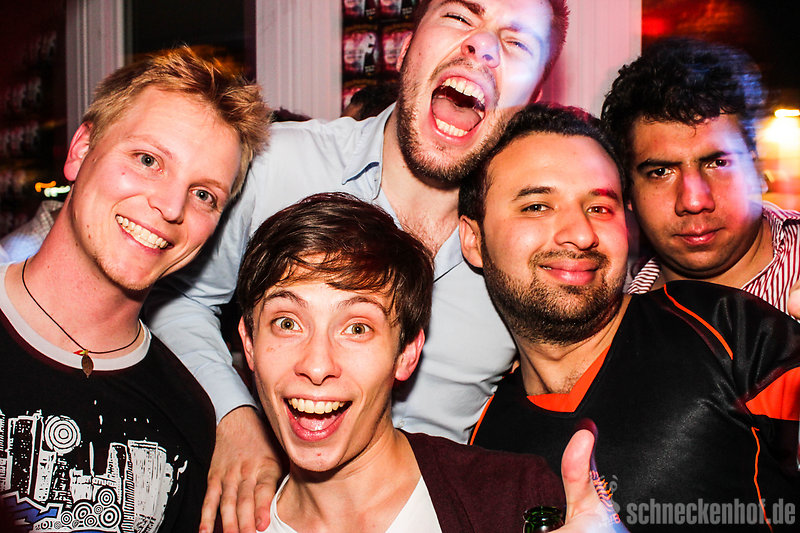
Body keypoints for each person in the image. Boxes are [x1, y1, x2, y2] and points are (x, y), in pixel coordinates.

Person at [143, 2, 570, 531]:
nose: (481, 46)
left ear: (534, 97)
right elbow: (176, 300)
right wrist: (233, 417)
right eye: (460, 17)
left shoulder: (525, 249)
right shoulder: (280, 164)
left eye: (516, 41)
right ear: (408, 45)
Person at [459, 104, 800, 531]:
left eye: (600, 208)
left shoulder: (726, 331)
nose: (580, 234)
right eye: (537, 206)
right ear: (473, 239)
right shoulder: (485, 443)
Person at [236, 192, 622, 533]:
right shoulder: (221, 519)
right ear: (249, 344)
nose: (317, 366)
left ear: (406, 354)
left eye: (357, 328)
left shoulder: (514, 500)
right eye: (287, 323)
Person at [0, 47, 270, 532]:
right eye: (148, 160)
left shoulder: (190, 415)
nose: (171, 207)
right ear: (81, 151)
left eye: (204, 194)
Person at [600, 37, 800, 320]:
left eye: (718, 163)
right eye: (660, 172)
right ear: (628, 194)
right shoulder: (614, 322)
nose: (694, 201)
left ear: (757, 171)